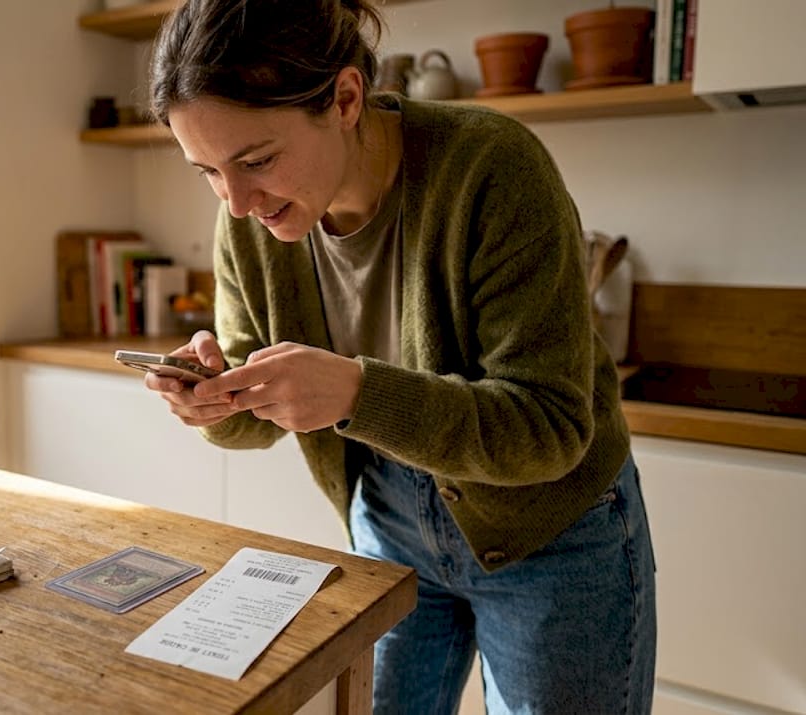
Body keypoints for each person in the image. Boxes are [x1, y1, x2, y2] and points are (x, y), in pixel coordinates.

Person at [141, 0, 657, 712]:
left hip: (552, 534)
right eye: (207, 171)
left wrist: (355, 392)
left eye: (256, 160)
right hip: (387, 525)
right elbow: (256, 420)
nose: (235, 202)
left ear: (346, 98)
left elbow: (550, 426)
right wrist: (215, 396)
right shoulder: (249, 224)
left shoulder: (493, 168)